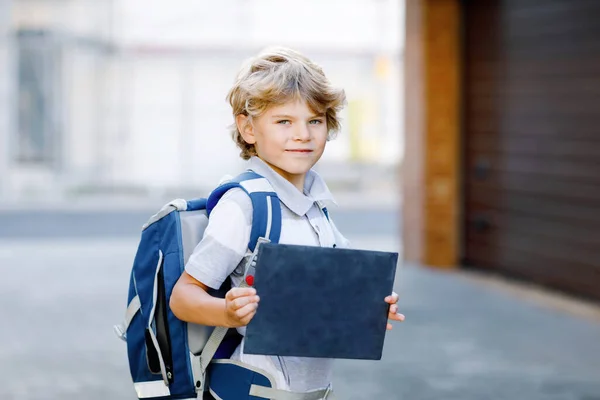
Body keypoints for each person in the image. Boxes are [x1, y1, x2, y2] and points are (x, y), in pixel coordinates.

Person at [170, 46, 404, 397]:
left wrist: (367, 307)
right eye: (284, 122)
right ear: (248, 128)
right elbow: (183, 297)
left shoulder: (316, 205)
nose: (303, 135)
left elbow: (324, 294)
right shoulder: (243, 206)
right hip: (254, 390)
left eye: (315, 121)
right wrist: (228, 313)